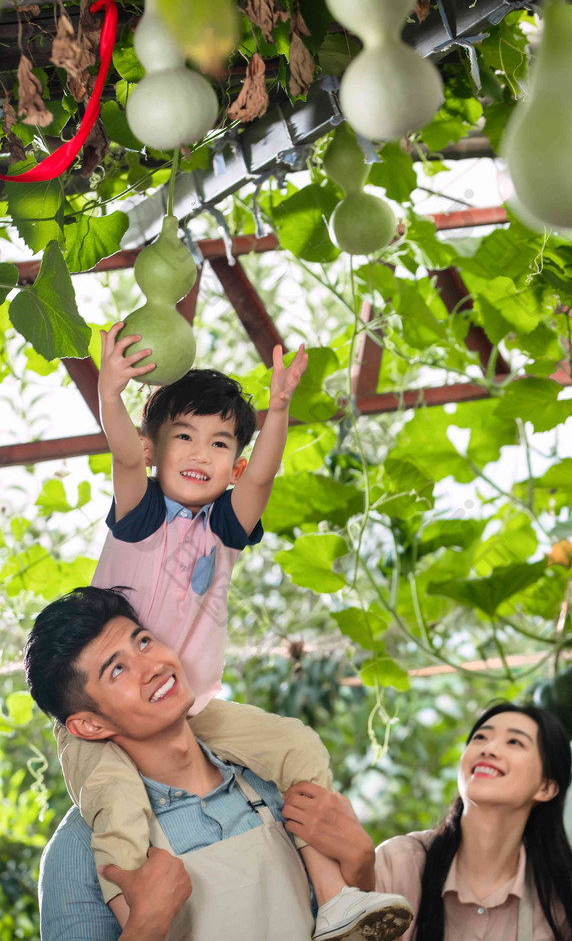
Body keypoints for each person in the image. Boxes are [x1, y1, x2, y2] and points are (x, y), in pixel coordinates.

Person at [53, 327, 411, 941]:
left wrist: (277, 412)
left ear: (235, 463)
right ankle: (140, 918)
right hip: (102, 721)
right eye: (183, 437)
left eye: (220, 443)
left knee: (296, 743)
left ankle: (334, 897)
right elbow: (121, 454)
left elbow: (264, 478)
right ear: (153, 449)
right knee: (118, 813)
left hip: (191, 708)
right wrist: (111, 393)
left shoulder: (223, 527)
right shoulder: (139, 517)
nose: (200, 453)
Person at [26, 587, 414, 941]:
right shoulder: (78, 850)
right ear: (89, 725)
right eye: (118, 669)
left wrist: (361, 865)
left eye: (143, 642)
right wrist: (146, 926)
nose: (152, 666)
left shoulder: (274, 787)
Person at [282, 702, 572, 941]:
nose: (488, 749)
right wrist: (360, 863)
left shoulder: (557, 904)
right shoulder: (401, 862)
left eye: (514, 742)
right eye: (480, 738)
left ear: (546, 787)